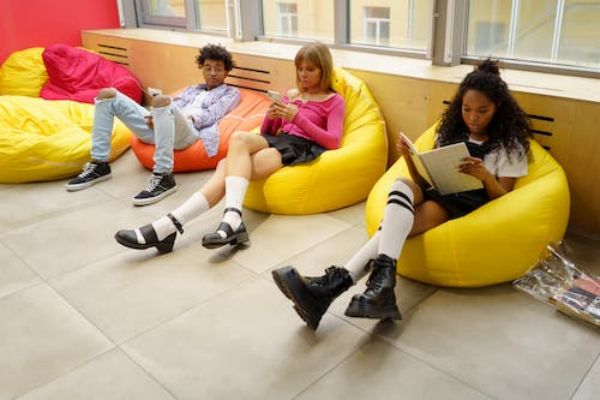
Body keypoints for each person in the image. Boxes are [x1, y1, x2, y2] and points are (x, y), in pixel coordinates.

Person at [271, 59, 533, 330]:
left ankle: (330, 289)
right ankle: (377, 288)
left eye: (482, 111)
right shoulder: (450, 132)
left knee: (391, 227)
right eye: (466, 109)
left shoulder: (509, 146)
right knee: (401, 184)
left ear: (498, 108)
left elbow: (503, 198)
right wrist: (410, 158)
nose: (473, 118)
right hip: (436, 188)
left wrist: (485, 176)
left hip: (463, 202)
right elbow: (422, 181)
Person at [114, 42, 345, 252]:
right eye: (300, 68)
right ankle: (228, 220)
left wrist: (297, 118)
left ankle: (168, 227)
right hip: (279, 139)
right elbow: (267, 131)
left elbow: (333, 141)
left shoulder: (333, 101)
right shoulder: (292, 95)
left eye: (310, 69)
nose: (303, 74)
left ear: (323, 70)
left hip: (300, 147)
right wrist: (272, 114)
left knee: (226, 165)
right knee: (238, 141)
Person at [66, 44, 241, 206]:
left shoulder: (230, 92)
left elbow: (212, 114)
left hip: (188, 132)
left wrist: (182, 117)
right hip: (161, 126)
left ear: (226, 72)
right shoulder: (192, 89)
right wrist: (153, 116)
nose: (212, 73)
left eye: (218, 69)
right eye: (208, 68)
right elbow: (172, 105)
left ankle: (164, 176)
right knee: (108, 94)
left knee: (162, 101)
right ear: (202, 69)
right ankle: (99, 164)